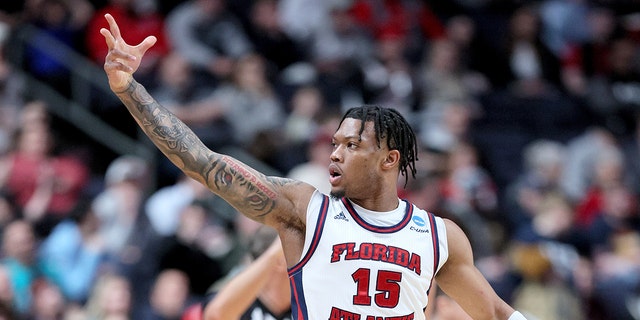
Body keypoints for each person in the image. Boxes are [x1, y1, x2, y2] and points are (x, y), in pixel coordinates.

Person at [99, 13, 528, 320]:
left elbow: (492, 311)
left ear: (389, 159)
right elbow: (201, 161)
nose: (335, 154)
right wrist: (128, 88)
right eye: (334, 143)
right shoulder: (305, 210)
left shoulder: (440, 236)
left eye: (352, 145)